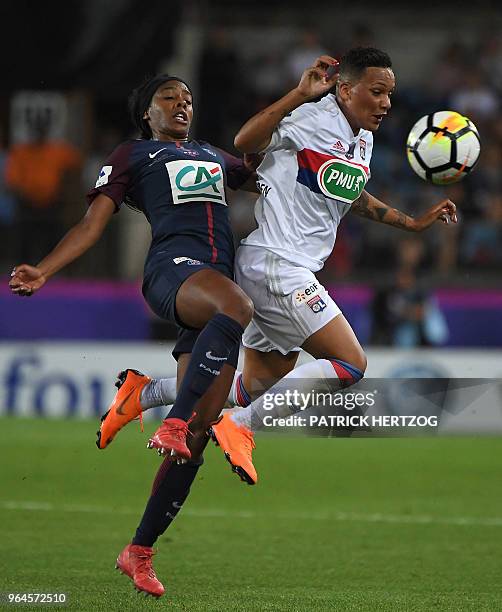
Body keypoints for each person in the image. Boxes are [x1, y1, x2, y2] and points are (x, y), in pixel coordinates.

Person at [9, 75, 259, 597]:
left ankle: (138, 550)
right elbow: (92, 223)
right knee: (238, 305)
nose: (182, 104)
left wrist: (297, 111)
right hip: (174, 272)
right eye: (169, 98)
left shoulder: (211, 153)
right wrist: (46, 270)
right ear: (146, 112)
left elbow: (259, 172)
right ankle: (167, 417)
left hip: (213, 288)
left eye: (189, 98)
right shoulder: (133, 155)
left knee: (198, 435)